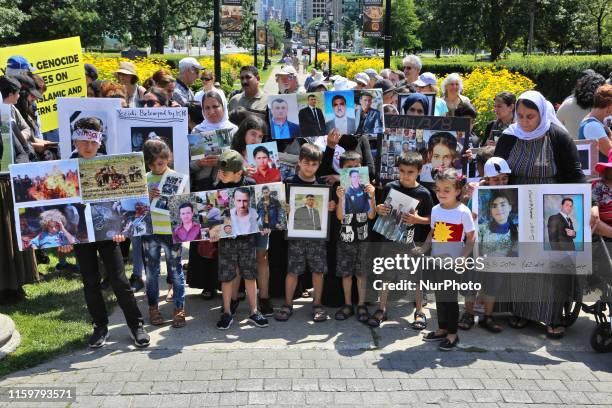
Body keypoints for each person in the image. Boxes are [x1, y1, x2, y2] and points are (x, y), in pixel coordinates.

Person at [494, 90, 585, 339]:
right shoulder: (510, 136)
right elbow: (496, 169)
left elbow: (575, 174)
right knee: (520, 260)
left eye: (530, 116)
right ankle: (521, 310)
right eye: (520, 116)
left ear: (542, 114)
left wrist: (589, 205)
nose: (524, 122)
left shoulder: (558, 136)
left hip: (549, 206)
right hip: (517, 205)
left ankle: (553, 317)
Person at [58, 124, 149, 349]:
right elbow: (58, 207)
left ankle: (136, 325)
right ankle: (100, 326)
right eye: (83, 141)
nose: (88, 146)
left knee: (120, 280)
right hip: (80, 234)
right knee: (90, 282)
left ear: (100, 142)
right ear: (74, 142)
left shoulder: (112, 167)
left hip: (108, 233)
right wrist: (61, 239)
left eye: (93, 142)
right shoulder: (63, 169)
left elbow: (126, 201)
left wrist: (124, 230)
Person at [369, 152, 433, 329]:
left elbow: (432, 220)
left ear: (419, 172)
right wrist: (379, 209)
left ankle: (419, 311)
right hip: (389, 239)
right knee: (385, 275)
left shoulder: (424, 193)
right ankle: (381, 309)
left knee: (416, 277)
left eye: (410, 172)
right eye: (402, 171)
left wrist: (417, 220)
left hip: (413, 243)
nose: (405, 175)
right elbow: (381, 209)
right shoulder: (390, 186)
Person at [414, 168, 475, 351]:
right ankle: (441, 328)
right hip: (436, 260)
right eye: (438, 189)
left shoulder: (463, 212)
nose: (441, 194)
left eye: (446, 190)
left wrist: (462, 258)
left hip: (453, 262)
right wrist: (424, 248)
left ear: (458, 190)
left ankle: (452, 334)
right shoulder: (436, 209)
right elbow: (434, 232)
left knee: (450, 299)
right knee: (439, 296)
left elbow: (470, 238)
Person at [275, 144, 334, 323]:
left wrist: (331, 207)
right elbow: (280, 213)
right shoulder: (289, 184)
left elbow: (325, 214)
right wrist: (283, 208)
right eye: (306, 163)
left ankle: (317, 305)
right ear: (299, 162)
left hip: (317, 238)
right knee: (292, 271)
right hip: (296, 238)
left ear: (319, 165)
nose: (310, 167)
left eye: (314, 164)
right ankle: (287, 304)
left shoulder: (323, 186)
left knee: (318, 271)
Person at [211, 149, 268, 330]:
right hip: (227, 240)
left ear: (239, 173)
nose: (221, 175)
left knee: (250, 274)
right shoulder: (216, 187)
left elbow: (260, 211)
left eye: (225, 172)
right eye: (219, 171)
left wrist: (265, 224)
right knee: (227, 276)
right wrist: (212, 230)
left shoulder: (251, 185)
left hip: (247, 239)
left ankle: (254, 311)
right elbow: (212, 216)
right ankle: (227, 312)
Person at [143, 139, 187, 328]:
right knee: (151, 273)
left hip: (171, 232)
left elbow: (186, 205)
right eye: (155, 163)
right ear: (148, 163)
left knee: (176, 271)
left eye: (162, 161)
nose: (159, 166)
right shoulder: (143, 180)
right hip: (150, 231)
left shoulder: (177, 177)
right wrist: (146, 197)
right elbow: (135, 208)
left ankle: (179, 307)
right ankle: (153, 308)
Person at [333, 151, 376, 323]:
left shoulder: (367, 189)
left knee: (362, 273)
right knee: (346, 274)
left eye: (356, 167)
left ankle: (361, 304)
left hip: (364, 237)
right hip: (345, 237)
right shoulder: (340, 189)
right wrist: (340, 199)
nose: (353, 171)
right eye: (348, 168)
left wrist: (372, 197)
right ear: (342, 169)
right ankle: (348, 304)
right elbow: (339, 217)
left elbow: (372, 216)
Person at [191, 91, 238, 192]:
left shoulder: (234, 130)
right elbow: (190, 167)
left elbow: (241, 163)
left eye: (215, 106)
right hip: (203, 187)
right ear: (202, 110)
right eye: (207, 108)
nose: (212, 111)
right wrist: (200, 163)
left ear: (223, 107)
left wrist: (223, 162)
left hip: (229, 187)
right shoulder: (197, 131)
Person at [557, 70, 606, 139]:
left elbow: (556, 127)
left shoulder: (566, 104)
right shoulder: (602, 108)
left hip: (571, 147)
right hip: (597, 148)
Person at [578, 84, 612, 159]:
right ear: (609, 106)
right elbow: (610, 153)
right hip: (600, 171)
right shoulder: (592, 126)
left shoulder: (595, 121)